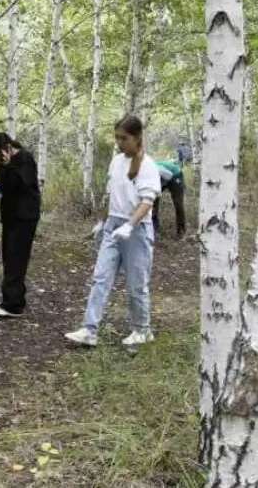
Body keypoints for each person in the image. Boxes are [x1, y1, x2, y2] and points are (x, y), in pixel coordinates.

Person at [65, 115, 161, 348]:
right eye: (117, 137)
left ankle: (142, 329)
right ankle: (89, 329)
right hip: (113, 226)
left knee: (136, 282)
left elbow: (148, 200)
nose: (119, 142)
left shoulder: (148, 165)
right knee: (101, 277)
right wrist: (102, 221)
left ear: (137, 138)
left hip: (136, 229)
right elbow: (112, 195)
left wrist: (130, 224)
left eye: (124, 138)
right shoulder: (117, 161)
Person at [0, 132, 40, 319]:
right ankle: (14, 297)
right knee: (9, 257)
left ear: (7, 146)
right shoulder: (4, 162)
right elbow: (7, 188)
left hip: (25, 217)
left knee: (17, 259)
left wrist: (9, 166)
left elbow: (23, 185)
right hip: (10, 217)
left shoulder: (25, 159)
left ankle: (13, 305)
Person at [152, 159, 187, 239]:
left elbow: (169, 175)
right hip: (161, 179)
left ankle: (181, 231)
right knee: (152, 202)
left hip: (174, 175)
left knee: (178, 203)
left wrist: (158, 187)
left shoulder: (154, 168)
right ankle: (154, 228)